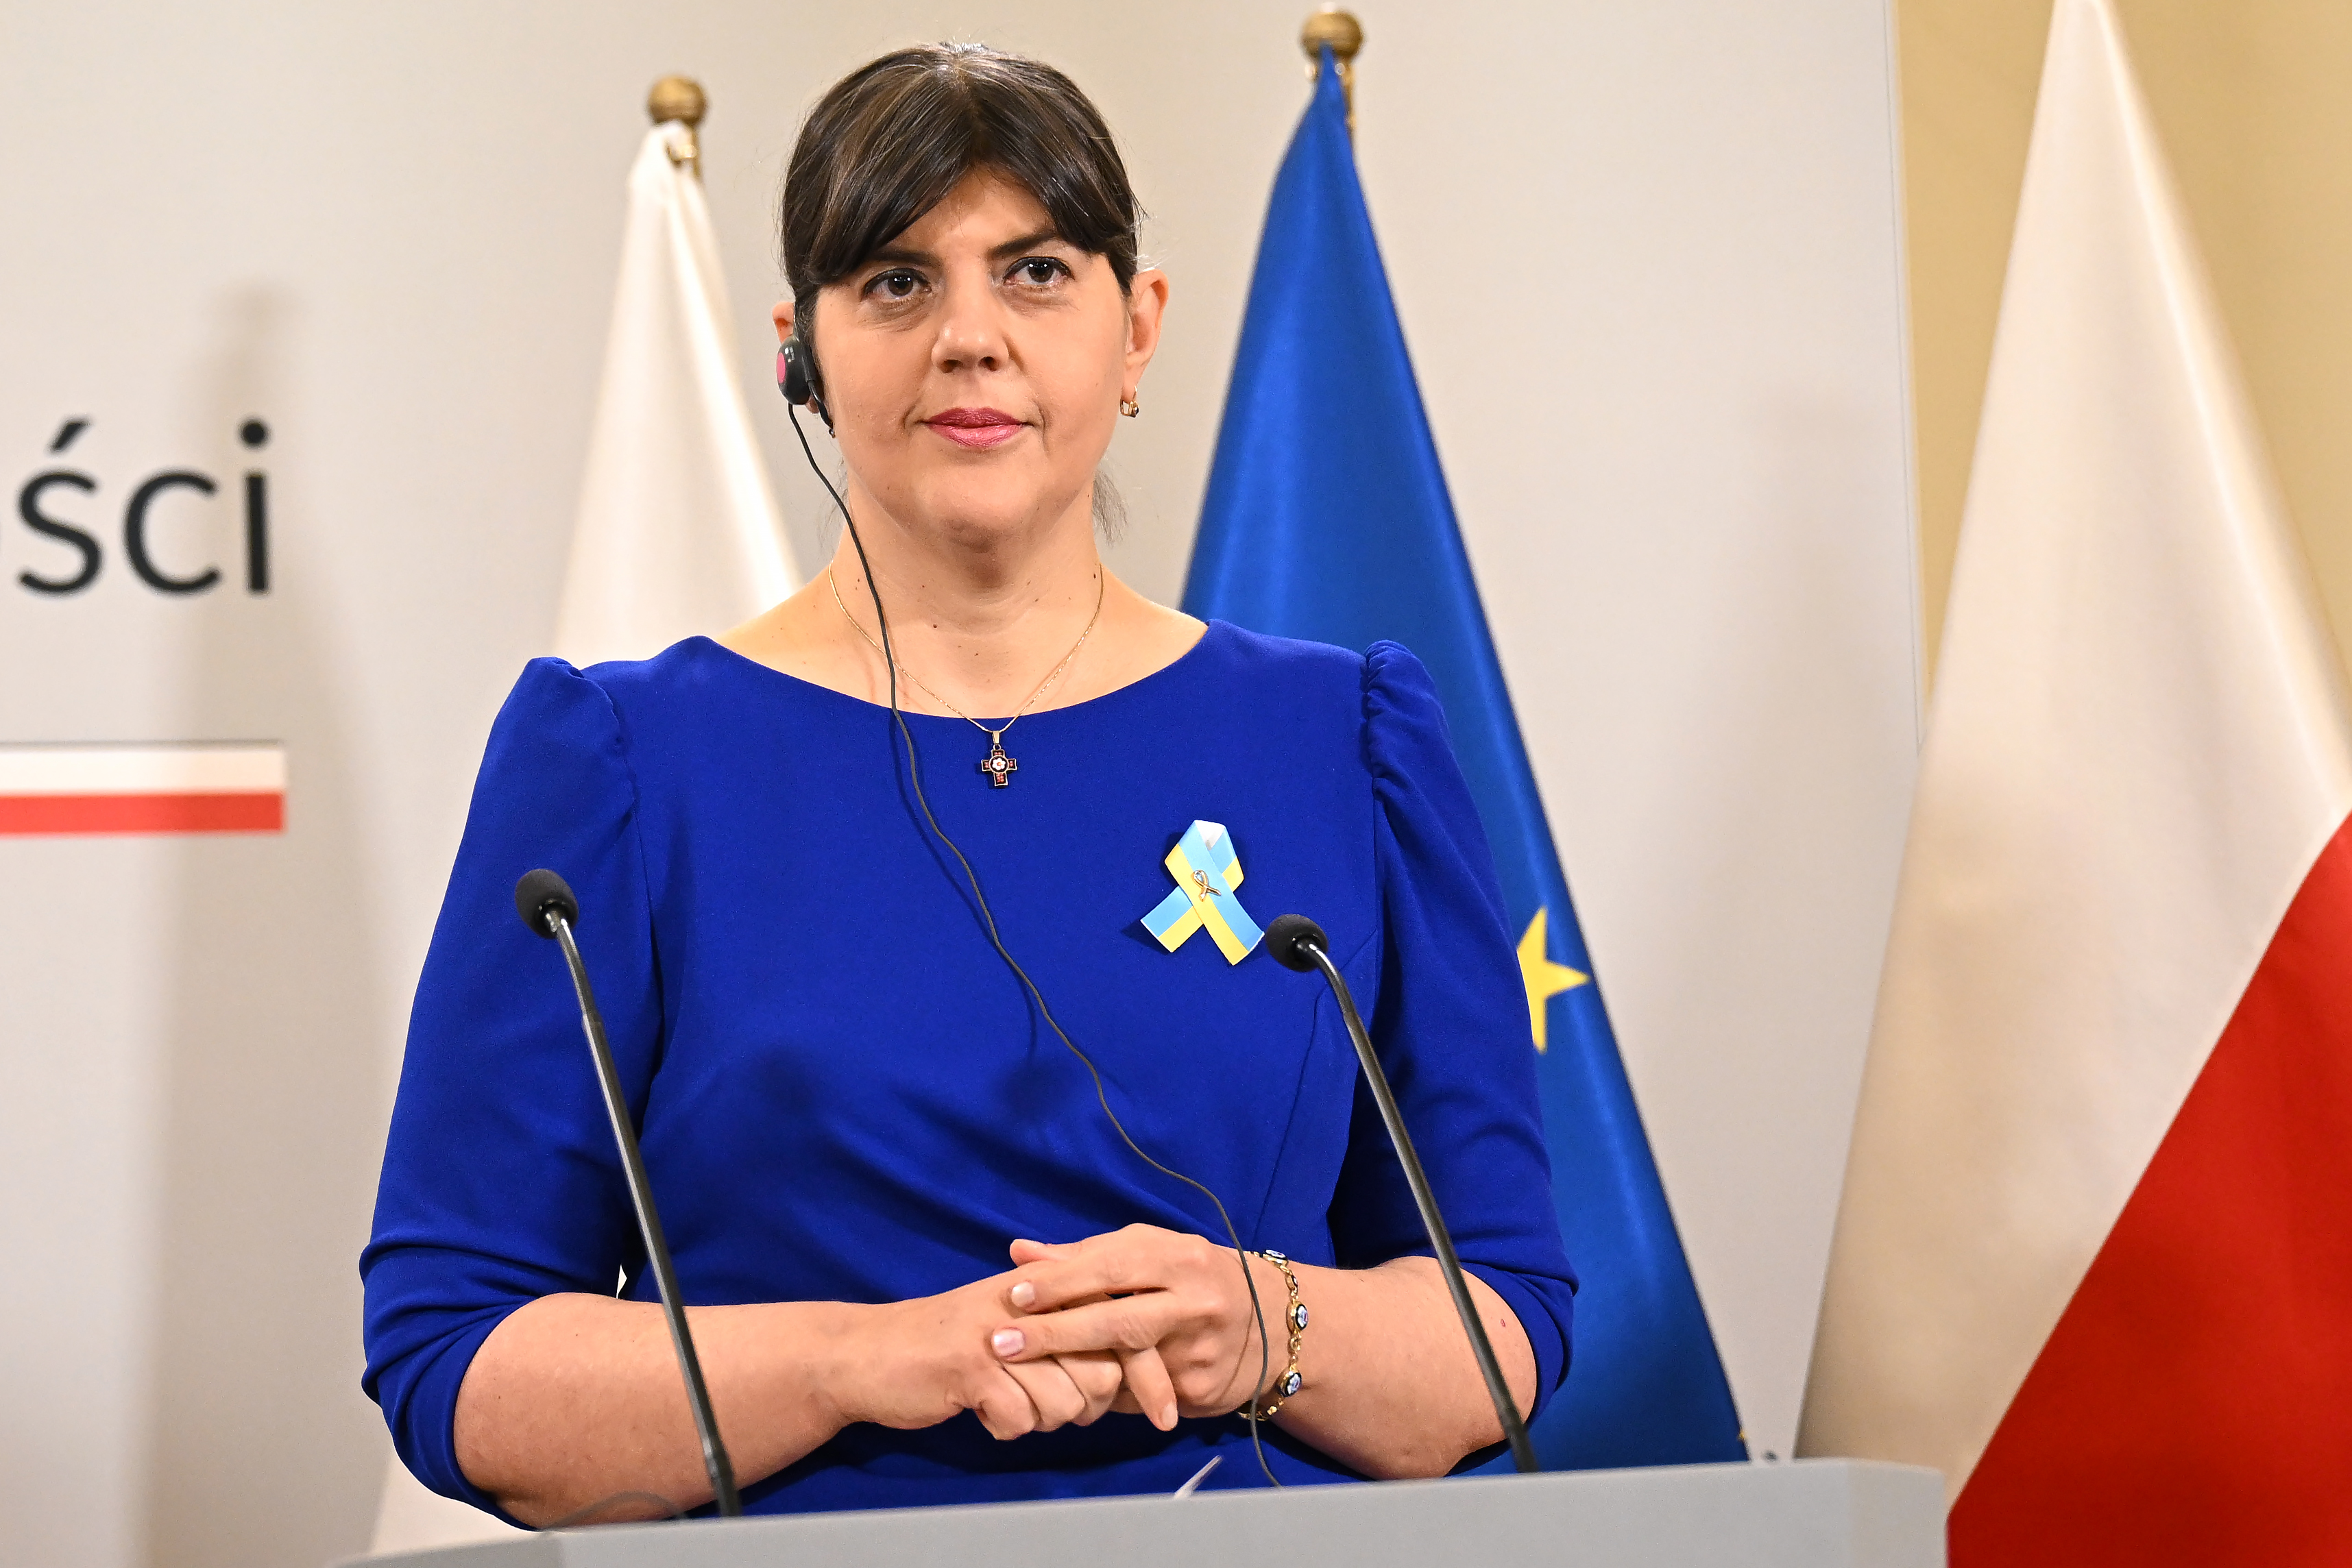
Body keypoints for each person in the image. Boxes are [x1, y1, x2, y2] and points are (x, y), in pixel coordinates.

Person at [361, 42, 1575, 1526]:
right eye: (896, 281)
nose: (970, 339)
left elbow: (1502, 1319)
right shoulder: (616, 758)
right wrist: (863, 1362)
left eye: (1037, 272)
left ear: (1139, 329)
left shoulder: (1346, 737)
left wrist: (1264, 1322)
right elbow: (457, 1358)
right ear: (799, 351)